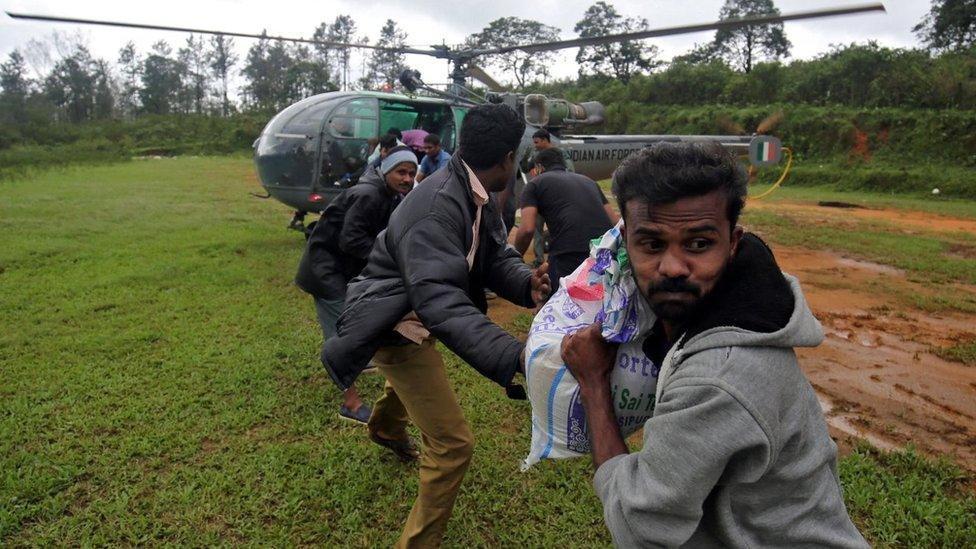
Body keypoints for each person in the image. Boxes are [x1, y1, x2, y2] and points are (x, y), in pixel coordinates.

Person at [559, 142, 868, 547]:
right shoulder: (728, 306)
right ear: (625, 241)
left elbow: (638, 527)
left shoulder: (719, 379)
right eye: (651, 244)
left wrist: (595, 384)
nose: (672, 267)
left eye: (698, 244)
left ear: (733, 241)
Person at [322, 104, 550, 548]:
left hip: (413, 314)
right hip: (394, 323)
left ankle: (385, 429)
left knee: (408, 387)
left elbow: (493, 255)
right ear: (508, 157)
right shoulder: (439, 206)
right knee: (452, 447)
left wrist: (528, 286)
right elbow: (441, 302)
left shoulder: (476, 190)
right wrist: (516, 355)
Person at [295, 146, 418, 424]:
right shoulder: (369, 194)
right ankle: (350, 404)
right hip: (325, 271)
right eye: (401, 171)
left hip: (343, 270)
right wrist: (389, 261)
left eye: (412, 173)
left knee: (359, 320)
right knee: (343, 333)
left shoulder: (388, 194)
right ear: (386, 170)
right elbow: (351, 241)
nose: (407, 178)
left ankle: (360, 362)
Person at [515, 148, 619, 291]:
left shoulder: (535, 183)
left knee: (560, 303)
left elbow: (527, 229)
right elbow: (614, 222)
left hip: (567, 254)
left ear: (539, 167)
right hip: (604, 251)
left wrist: (514, 258)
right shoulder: (589, 182)